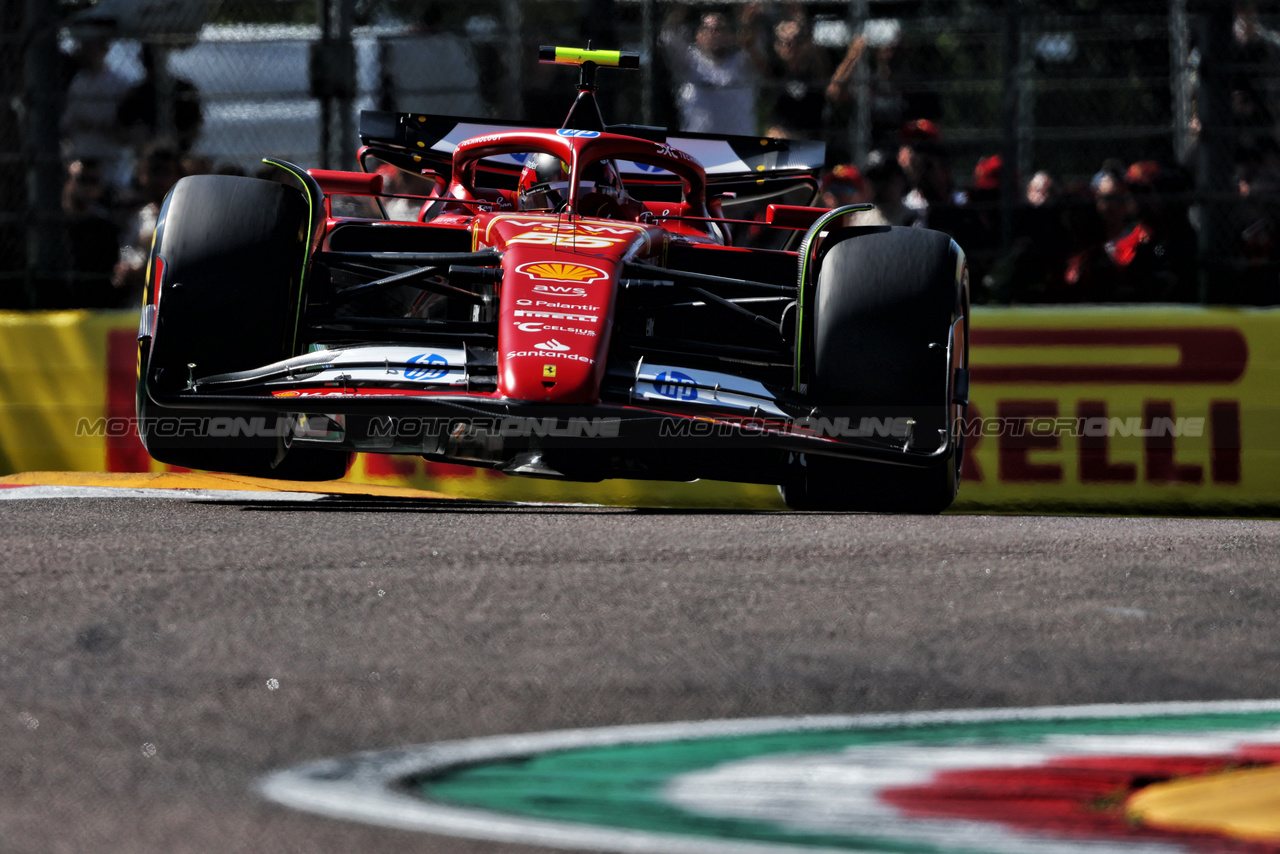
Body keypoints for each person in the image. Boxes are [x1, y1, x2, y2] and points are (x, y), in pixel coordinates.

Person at [660, 6, 769, 136]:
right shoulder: (689, 61)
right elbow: (668, 36)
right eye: (707, 29)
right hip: (697, 143)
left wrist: (747, 20)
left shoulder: (743, 62)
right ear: (698, 36)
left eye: (719, 29)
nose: (713, 33)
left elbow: (754, 47)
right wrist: (681, 7)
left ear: (730, 35)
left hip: (739, 144)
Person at [60, 35, 132, 195]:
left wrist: (97, 126)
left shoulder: (119, 84)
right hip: (82, 157)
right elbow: (69, 121)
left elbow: (125, 128)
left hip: (109, 161)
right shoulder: (79, 81)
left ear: (104, 50)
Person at [113, 142, 184, 304]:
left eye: (166, 172)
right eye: (154, 172)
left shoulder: (187, 216)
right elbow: (127, 254)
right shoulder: (138, 218)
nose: (159, 180)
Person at [117, 43, 204, 156]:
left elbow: (196, 127)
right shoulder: (138, 94)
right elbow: (121, 130)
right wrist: (147, 144)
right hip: (148, 155)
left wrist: (172, 141)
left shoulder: (183, 89)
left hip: (179, 153)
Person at [61, 158, 123, 308]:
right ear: (66, 182)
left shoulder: (105, 227)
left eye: (93, 181)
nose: (87, 186)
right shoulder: (51, 224)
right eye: (81, 180)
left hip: (94, 305)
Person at [764, 12, 829, 140]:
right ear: (777, 46)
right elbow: (749, 46)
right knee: (774, 136)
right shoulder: (776, 71)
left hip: (808, 138)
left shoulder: (815, 68)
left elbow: (823, 71)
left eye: (796, 41)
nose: (791, 47)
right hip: (781, 136)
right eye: (785, 42)